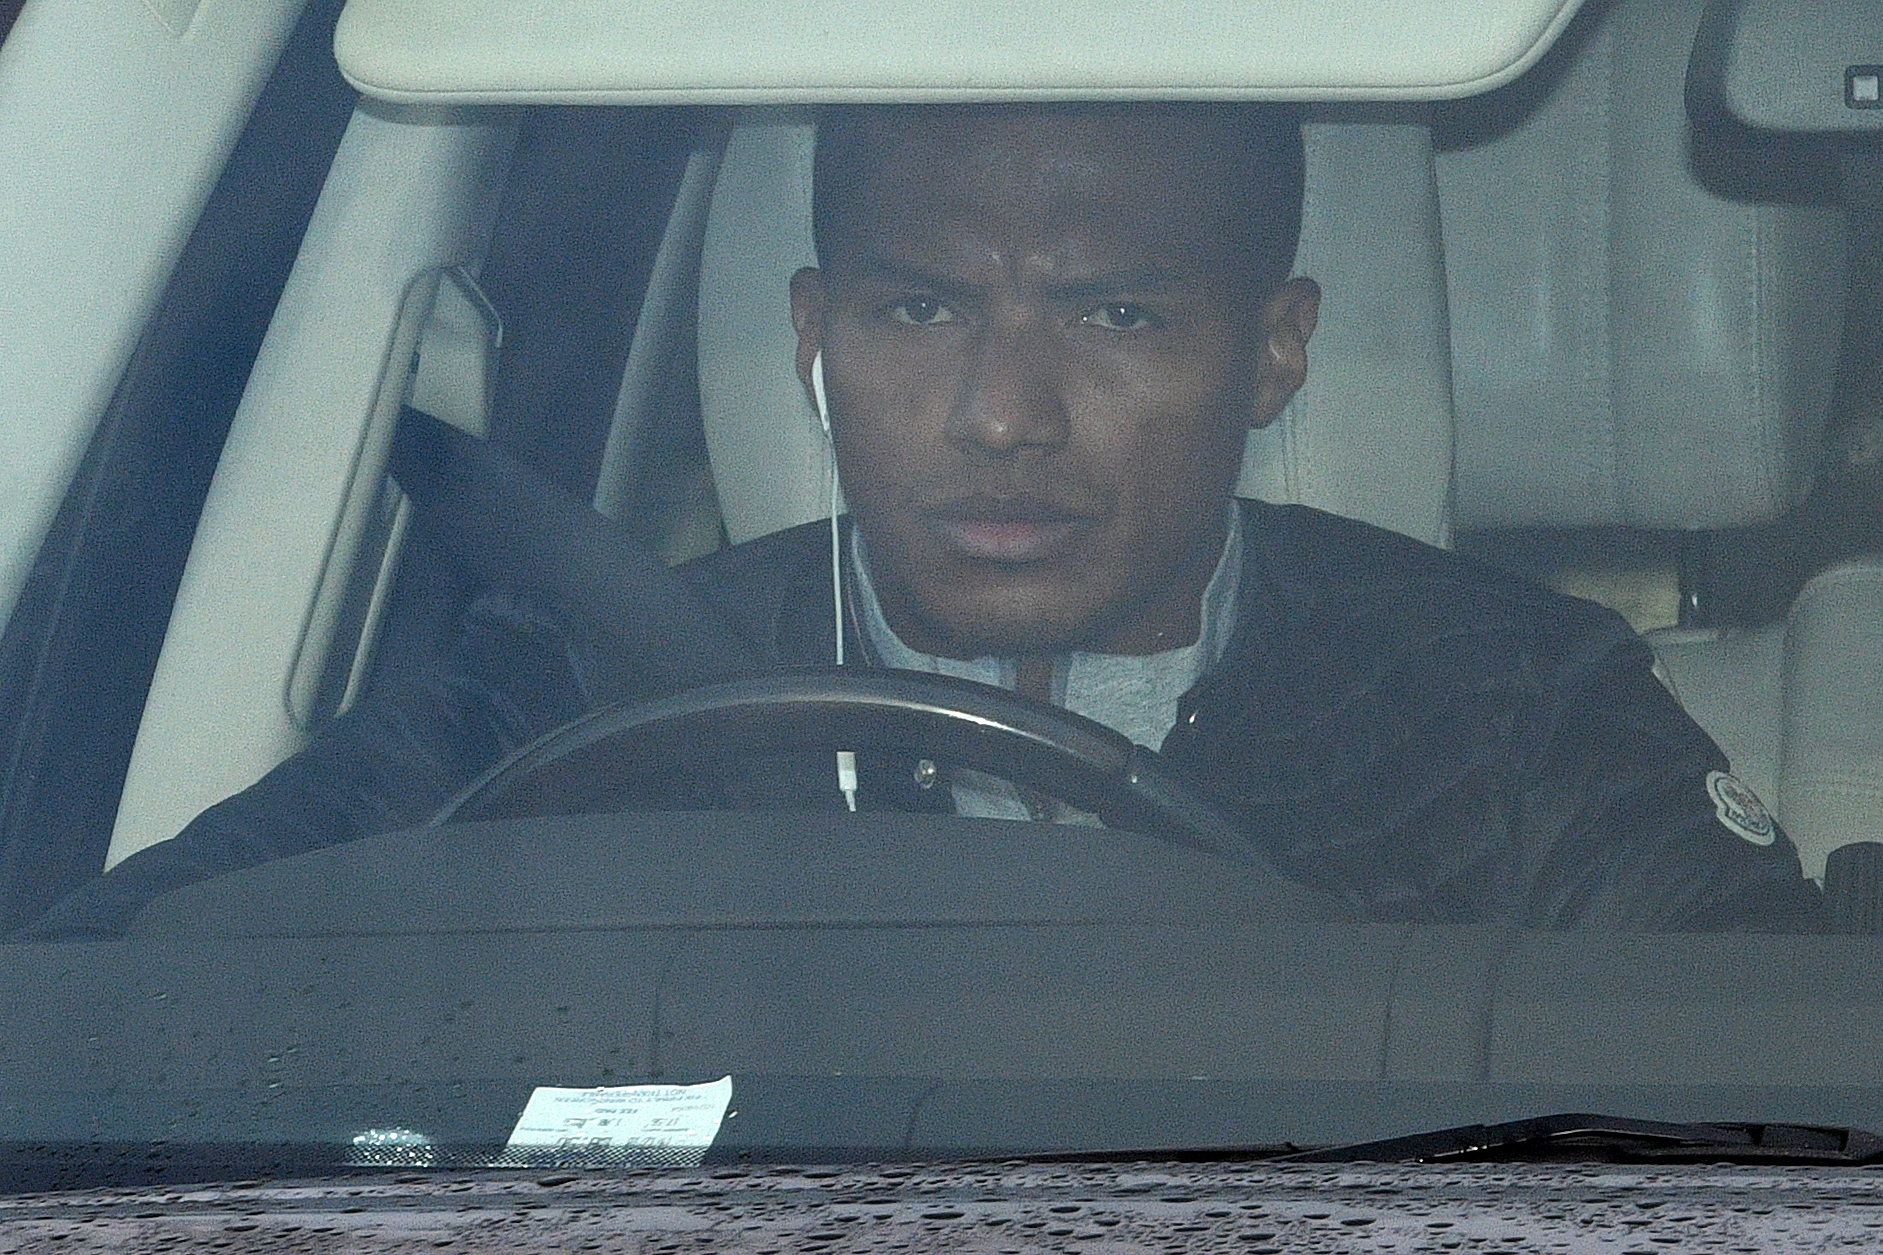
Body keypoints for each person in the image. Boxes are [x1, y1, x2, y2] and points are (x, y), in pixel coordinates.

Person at [25, 102, 1823, 937]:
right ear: (813, 339)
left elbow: (1778, 1113)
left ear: (1273, 352)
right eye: (915, 310)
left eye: (1118, 316)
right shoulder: (582, 680)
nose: (999, 415)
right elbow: (137, 981)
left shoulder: (1511, 710)